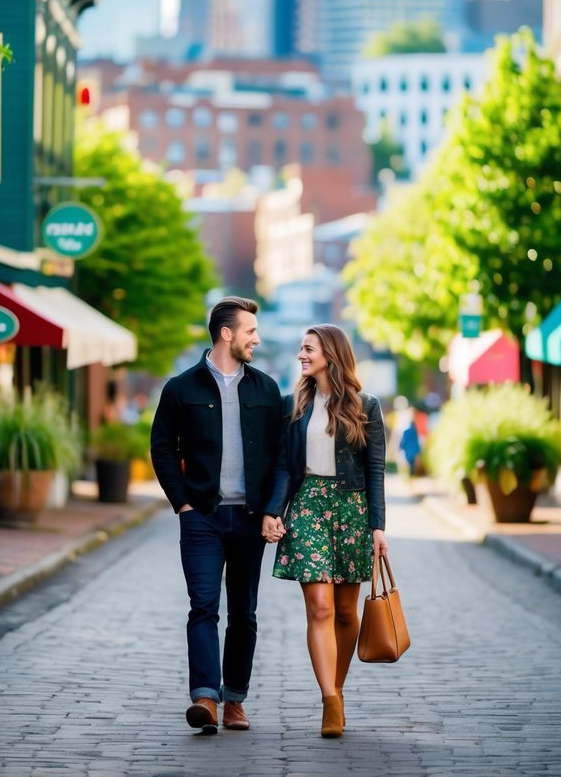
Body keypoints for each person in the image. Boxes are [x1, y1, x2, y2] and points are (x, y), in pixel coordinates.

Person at [150, 296, 283, 735]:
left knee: (244, 612)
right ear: (226, 334)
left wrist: (272, 510)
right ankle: (205, 697)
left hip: (249, 518)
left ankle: (235, 700)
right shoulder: (181, 388)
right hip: (202, 517)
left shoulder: (266, 390)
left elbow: (281, 457)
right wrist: (183, 503)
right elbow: (162, 448)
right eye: (250, 331)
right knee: (203, 607)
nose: (256, 339)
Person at [263, 324, 387, 739]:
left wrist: (378, 526)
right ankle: (330, 700)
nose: (301, 355)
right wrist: (274, 511)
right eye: (301, 348)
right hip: (308, 506)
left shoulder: (366, 406)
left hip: (352, 509)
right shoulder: (294, 406)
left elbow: (375, 470)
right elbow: (284, 467)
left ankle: (338, 685)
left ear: (330, 354)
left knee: (347, 612)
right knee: (320, 608)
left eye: (308, 348)